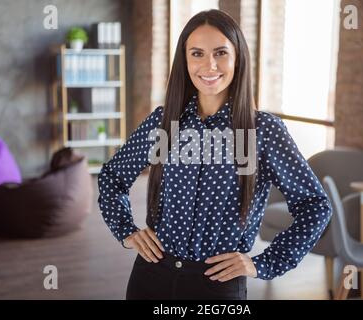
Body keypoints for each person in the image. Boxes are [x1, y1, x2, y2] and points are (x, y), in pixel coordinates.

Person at [98, 9, 332, 300]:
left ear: (237, 58)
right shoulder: (164, 122)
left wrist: (265, 263)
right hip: (151, 276)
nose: (209, 65)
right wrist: (126, 231)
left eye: (220, 52)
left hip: (217, 285)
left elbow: (315, 205)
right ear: (185, 61)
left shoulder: (263, 131)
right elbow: (111, 176)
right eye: (197, 53)